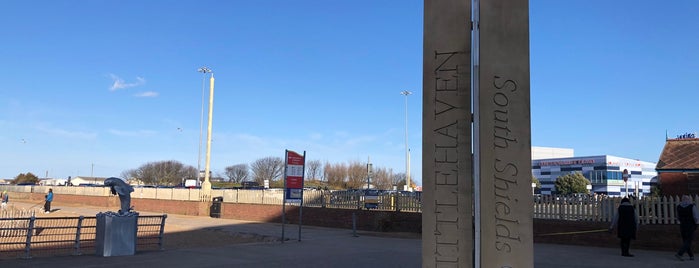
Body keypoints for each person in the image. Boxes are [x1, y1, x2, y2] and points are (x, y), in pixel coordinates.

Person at [675, 195, 699, 261]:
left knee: (685, 241)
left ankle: (691, 256)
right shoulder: (692, 206)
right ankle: (680, 254)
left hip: (682, 225)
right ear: (688, 200)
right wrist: (696, 223)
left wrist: (682, 221)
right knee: (688, 241)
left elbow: (677, 217)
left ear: (682, 200)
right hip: (690, 225)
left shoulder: (678, 207)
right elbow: (696, 217)